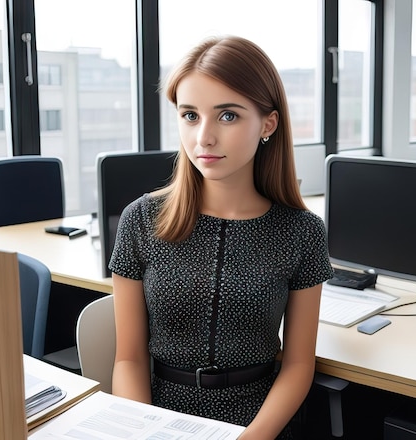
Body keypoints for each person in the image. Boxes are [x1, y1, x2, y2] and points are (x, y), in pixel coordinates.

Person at [109, 35, 333, 439]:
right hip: (160, 421)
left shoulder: (301, 232)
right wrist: (146, 432)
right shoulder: (141, 220)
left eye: (227, 116)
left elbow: (299, 364)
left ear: (268, 123)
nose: (204, 138)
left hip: (258, 422)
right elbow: (128, 360)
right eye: (190, 115)